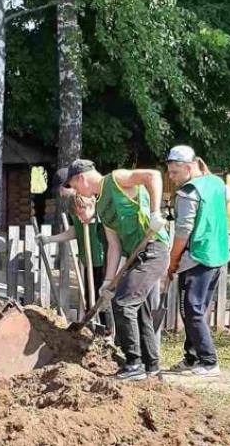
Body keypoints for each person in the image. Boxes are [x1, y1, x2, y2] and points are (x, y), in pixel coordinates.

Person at [64, 159, 169, 381]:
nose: (76, 192)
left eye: (74, 186)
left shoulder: (116, 179)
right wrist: (107, 282)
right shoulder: (101, 205)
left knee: (123, 303)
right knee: (137, 309)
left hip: (153, 248)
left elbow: (153, 175)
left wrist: (155, 213)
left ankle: (134, 365)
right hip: (136, 256)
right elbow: (114, 246)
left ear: (81, 178)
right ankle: (151, 366)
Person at [164, 145, 229, 376]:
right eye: (169, 172)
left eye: (175, 172)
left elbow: (183, 233)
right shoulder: (216, 183)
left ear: (190, 167)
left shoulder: (188, 193)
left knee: (191, 310)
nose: (171, 178)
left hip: (197, 257)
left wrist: (172, 261)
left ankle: (209, 361)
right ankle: (192, 357)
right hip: (217, 253)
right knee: (198, 309)